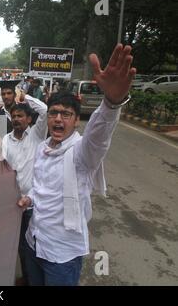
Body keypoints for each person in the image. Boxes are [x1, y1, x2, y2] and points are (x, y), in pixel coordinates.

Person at [20, 44, 136, 286]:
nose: (58, 119)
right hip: (34, 242)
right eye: (53, 113)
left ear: (75, 120)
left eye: (66, 114)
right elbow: (40, 186)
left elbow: (99, 134)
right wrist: (29, 198)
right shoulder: (43, 147)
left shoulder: (83, 152)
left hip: (61, 256)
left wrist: (111, 103)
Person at [1, 95, 48, 286]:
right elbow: (2, 168)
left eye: (20, 116)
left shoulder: (37, 134)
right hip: (14, 205)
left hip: (35, 204)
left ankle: (38, 279)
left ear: (29, 119)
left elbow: (44, 110)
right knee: (20, 245)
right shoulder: (6, 139)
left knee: (37, 245)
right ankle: (27, 278)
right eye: (14, 116)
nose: (17, 119)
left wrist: (25, 97)